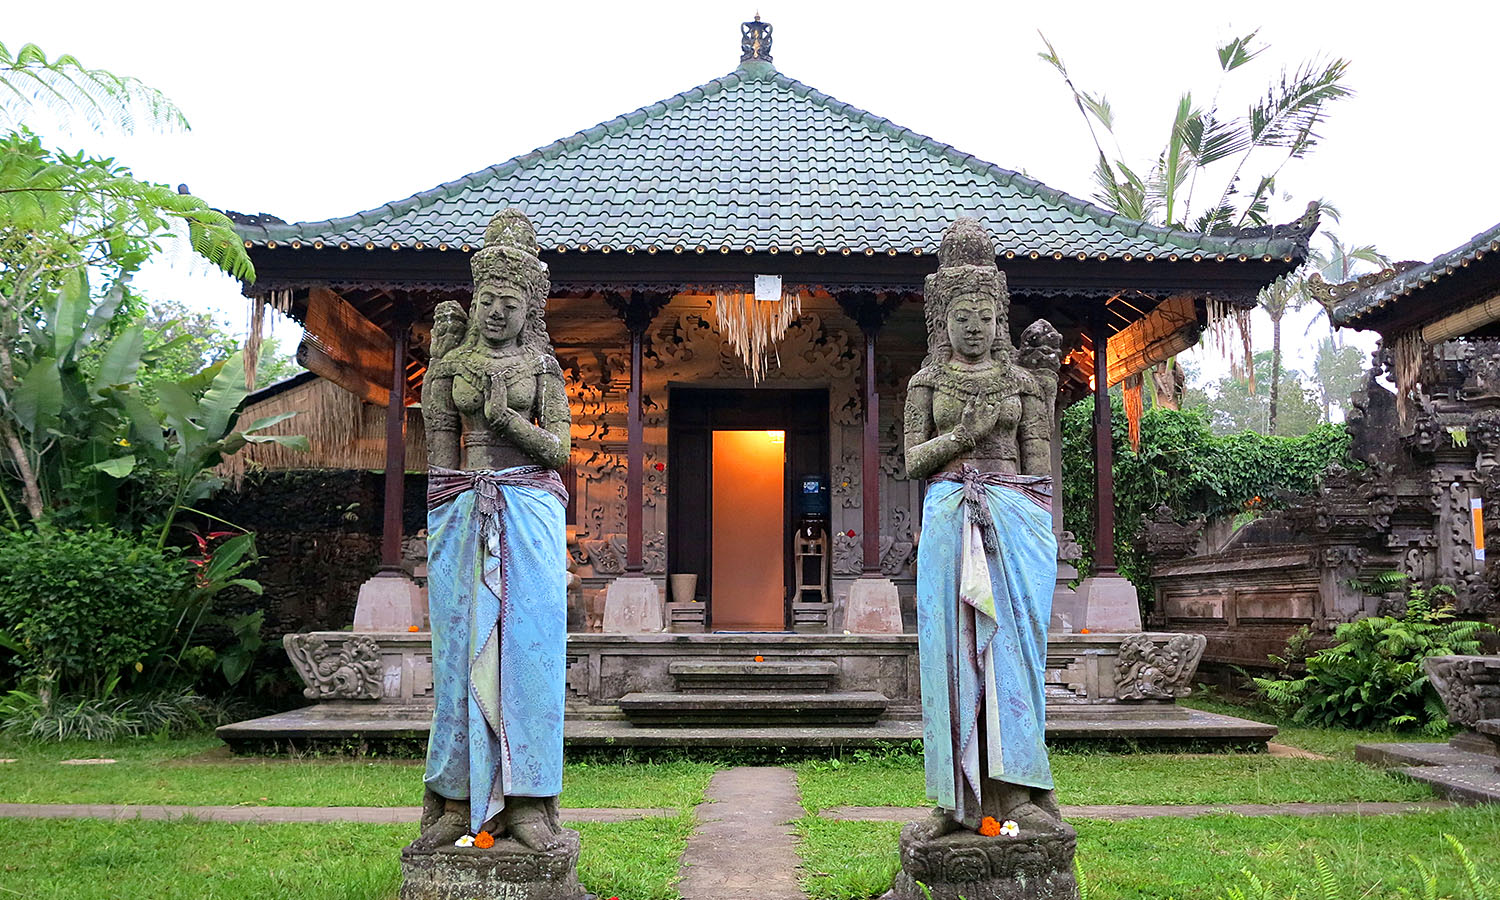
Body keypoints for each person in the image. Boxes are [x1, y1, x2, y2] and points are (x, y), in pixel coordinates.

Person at [902, 217, 1063, 837]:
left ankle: (1018, 791)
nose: (974, 326)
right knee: (951, 658)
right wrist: (961, 437)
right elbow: (912, 461)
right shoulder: (927, 381)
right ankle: (956, 800)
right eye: (962, 315)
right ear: (941, 320)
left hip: (1013, 523)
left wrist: (1037, 534)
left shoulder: (1022, 383)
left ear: (1000, 319)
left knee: (1014, 656)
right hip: (949, 513)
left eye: (986, 316)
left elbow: (1040, 471)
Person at [418, 207, 572, 852]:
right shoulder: (449, 367)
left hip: (529, 512)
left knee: (532, 655)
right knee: (458, 655)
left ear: (529, 308)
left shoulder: (542, 368)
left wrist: (507, 420)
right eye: (487, 301)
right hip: (461, 513)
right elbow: (440, 461)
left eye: (510, 304)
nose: (496, 314)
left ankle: (529, 800)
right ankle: (457, 800)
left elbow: (560, 451)